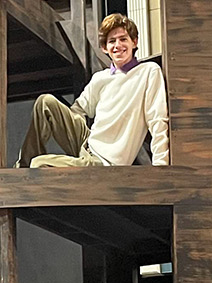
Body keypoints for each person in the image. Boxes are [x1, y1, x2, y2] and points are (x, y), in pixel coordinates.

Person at [16, 13, 169, 168]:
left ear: (134, 42)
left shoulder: (148, 71)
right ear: (104, 48)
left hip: (104, 162)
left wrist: (161, 167)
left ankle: (29, 171)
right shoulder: (100, 78)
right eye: (112, 41)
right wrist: (74, 132)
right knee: (45, 102)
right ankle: (22, 168)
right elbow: (79, 109)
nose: (118, 45)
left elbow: (157, 120)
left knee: (39, 164)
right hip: (87, 143)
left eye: (123, 39)